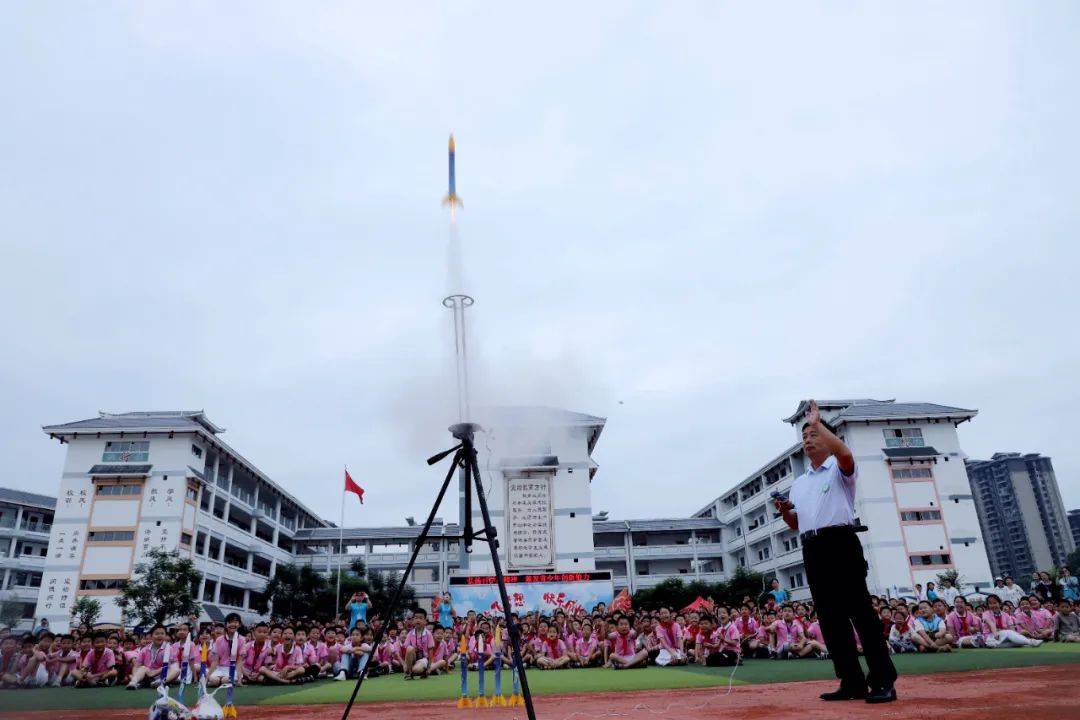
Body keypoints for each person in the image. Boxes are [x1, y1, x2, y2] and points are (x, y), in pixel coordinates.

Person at [775, 400, 897, 703]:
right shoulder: (799, 484)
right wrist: (784, 512)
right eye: (804, 436)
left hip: (840, 544)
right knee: (831, 620)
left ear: (829, 440)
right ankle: (851, 681)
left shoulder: (840, 469)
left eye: (814, 434)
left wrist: (818, 423)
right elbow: (797, 524)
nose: (807, 439)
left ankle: (883, 680)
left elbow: (844, 452)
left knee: (861, 616)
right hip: (813, 548)